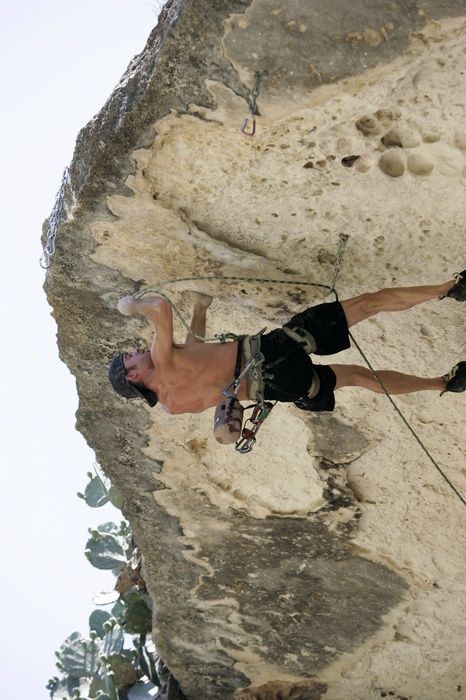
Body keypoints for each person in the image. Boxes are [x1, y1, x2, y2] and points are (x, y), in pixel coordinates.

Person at [108, 273, 466, 415]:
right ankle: (449, 288)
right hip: (273, 353)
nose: (138, 352)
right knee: (367, 304)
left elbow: (194, 351)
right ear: (135, 376)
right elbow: (159, 307)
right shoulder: (161, 359)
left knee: (358, 377)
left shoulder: (173, 404)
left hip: (281, 388)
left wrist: (201, 308)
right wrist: (131, 306)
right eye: (130, 358)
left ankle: (442, 383)